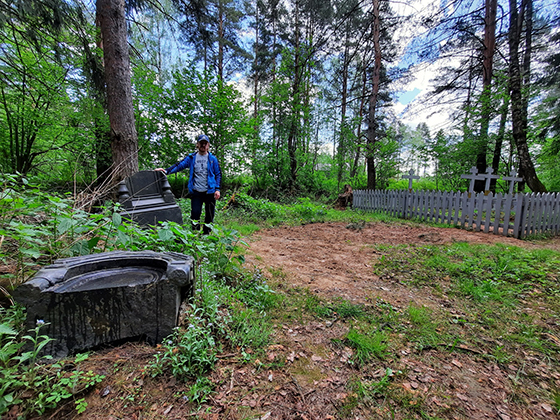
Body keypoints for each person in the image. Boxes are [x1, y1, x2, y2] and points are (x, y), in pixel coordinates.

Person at [156, 134, 221, 234]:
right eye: (201, 143)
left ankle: (206, 234)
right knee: (195, 214)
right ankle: (195, 234)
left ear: (208, 145)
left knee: (210, 215)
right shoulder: (192, 158)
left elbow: (218, 174)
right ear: (197, 145)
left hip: (210, 191)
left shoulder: (212, 159)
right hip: (196, 191)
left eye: (205, 143)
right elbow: (179, 165)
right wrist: (166, 171)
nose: (203, 145)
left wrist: (217, 189)